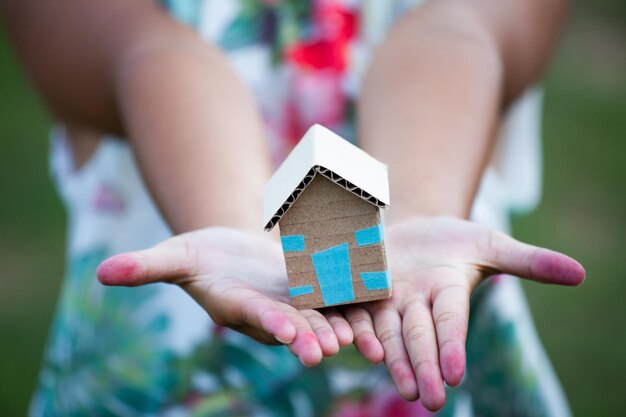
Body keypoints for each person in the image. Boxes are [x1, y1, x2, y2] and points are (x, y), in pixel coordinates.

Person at [1, 0, 585, 415]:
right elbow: (148, 53)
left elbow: (460, 30)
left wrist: (421, 206)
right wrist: (231, 223)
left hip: (426, 334)